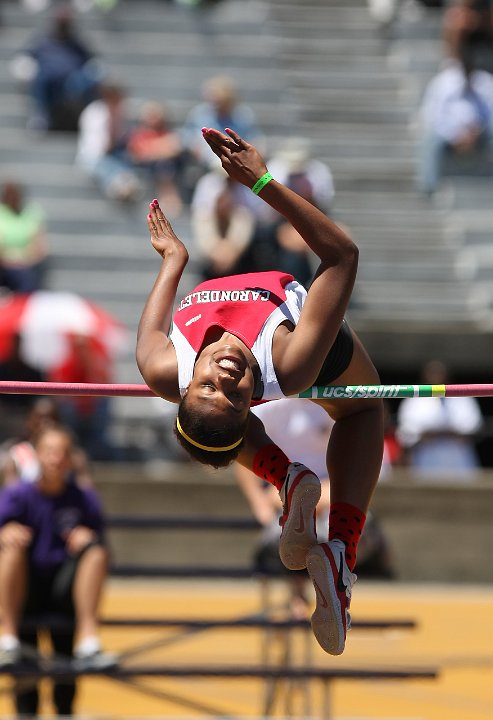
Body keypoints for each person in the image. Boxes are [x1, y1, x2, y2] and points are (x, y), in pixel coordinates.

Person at [136, 127, 384, 656]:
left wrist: (174, 258)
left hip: (227, 375)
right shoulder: (288, 364)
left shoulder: (162, 367)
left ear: (187, 378)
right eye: (236, 394)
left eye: (207, 384)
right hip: (312, 339)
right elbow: (342, 256)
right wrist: (263, 182)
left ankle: (288, 479)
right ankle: (341, 548)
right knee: (365, 412)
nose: (224, 377)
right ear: (255, 403)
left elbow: (168, 292)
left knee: (209, 425)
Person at [0, 425, 115, 717]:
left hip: (65, 589)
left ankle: (90, 640)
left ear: (71, 459)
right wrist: (6, 531)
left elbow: (102, 545)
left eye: (63, 453)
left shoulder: (82, 496)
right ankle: (7, 635)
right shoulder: (18, 495)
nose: (56, 459)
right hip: (24, 590)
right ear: (37, 455)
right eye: (50, 452)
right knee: (10, 548)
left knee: (96, 550)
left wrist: (87, 539)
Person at [416, 43, 493, 195]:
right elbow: (432, 116)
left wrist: (477, 131)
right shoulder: (443, 82)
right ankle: (429, 188)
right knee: (430, 142)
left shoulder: (485, 82)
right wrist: (455, 134)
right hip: (450, 135)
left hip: (479, 133)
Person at [11, 4, 102, 131]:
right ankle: (40, 116)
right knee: (41, 78)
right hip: (48, 81)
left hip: (72, 82)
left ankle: (87, 120)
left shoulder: (77, 43)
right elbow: (26, 56)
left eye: (66, 23)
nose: (63, 26)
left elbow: (92, 60)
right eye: (61, 23)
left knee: (87, 81)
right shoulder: (43, 42)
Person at [397, 359, 483, 476]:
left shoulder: (464, 400)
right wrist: (448, 433)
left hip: (460, 465)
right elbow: (408, 434)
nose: (437, 377)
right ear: (425, 376)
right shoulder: (413, 402)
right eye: (433, 373)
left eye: (440, 373)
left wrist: (433, 434)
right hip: (425, 465)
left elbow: (471, 430)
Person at [76, 83, 143, 202]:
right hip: (94, 156)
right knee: (102, 165)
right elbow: (97, 148)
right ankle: (118, 185)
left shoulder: (120, 113)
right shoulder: (95, 112)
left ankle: (122, 183)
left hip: (112, 154)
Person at [0, 181, 48, 293]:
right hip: (2, 265)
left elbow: (40, 246)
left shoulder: (32, 213)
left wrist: (21, 259)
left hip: (25, 267)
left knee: (25, 279)